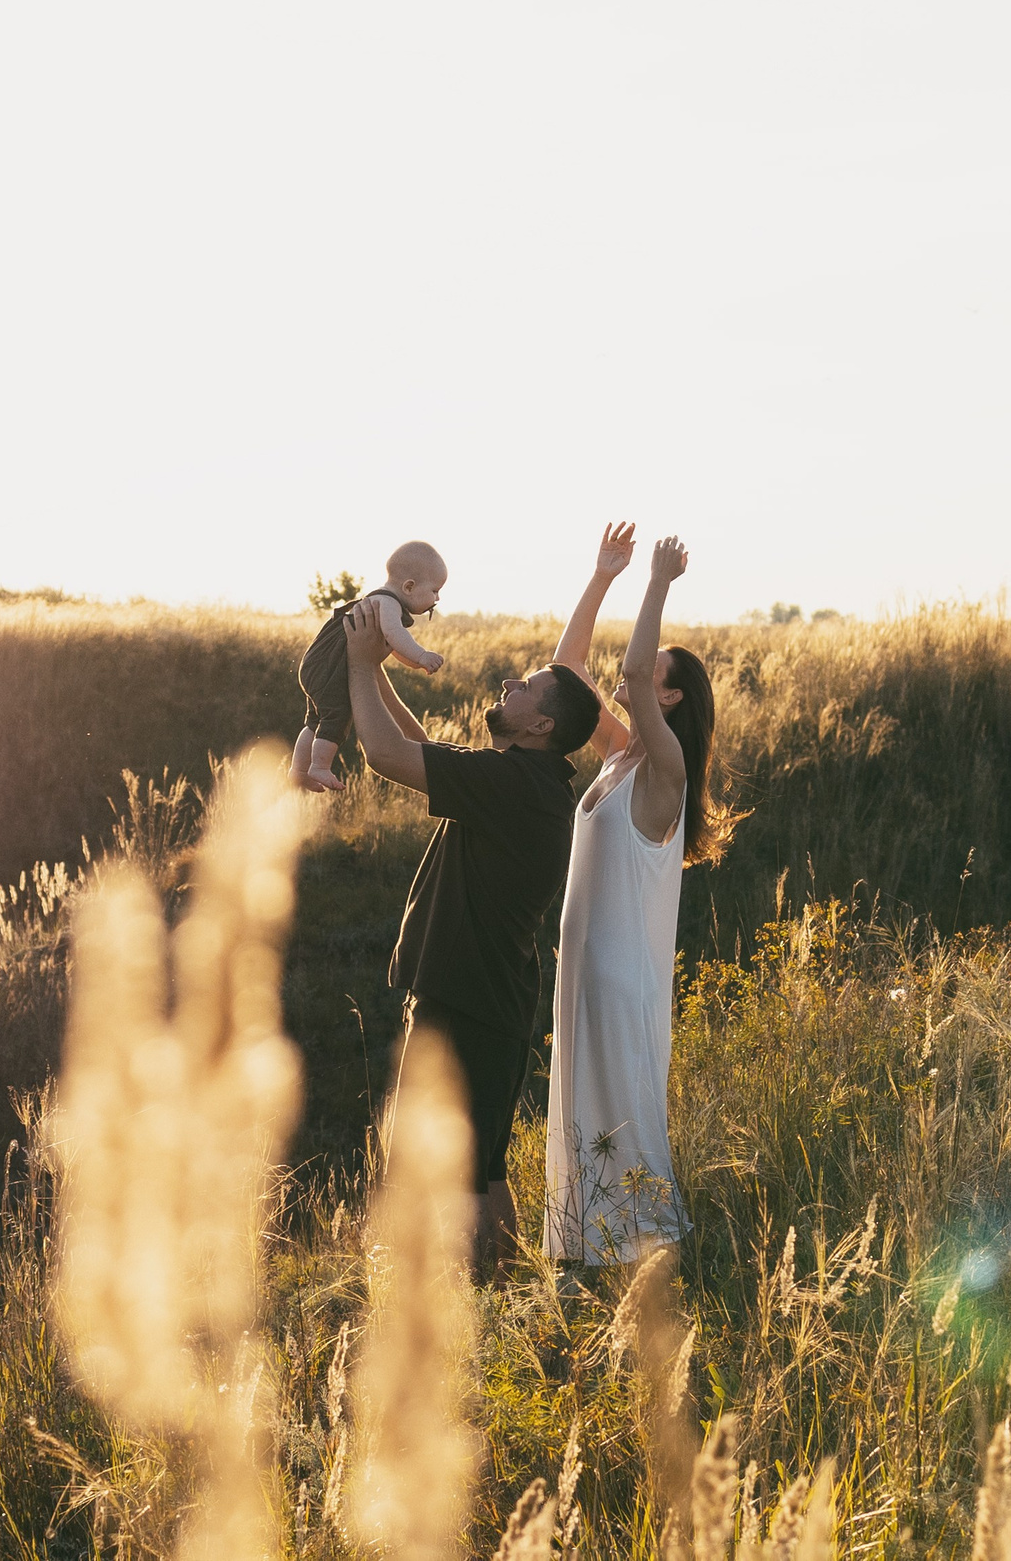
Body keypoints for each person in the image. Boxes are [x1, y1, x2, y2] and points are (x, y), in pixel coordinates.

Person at [341, 543, 606, 1272]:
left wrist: (362, 666)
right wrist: (377, 674)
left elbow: (385, 758)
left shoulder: (515, 784)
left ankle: (477, 1295)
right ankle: (496, 1297)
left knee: (453, 1164)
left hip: (468, 998)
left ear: (540, 725)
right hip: (490, 995)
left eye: (527, 687)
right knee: (481, 1162)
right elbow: (420, 749)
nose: (511, 682)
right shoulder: (526, 781)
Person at [543, 527, 720, 1264]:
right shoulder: (623, 756)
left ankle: (657, 1262)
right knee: (584, 1123)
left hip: (620, 984)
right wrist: (602, 575)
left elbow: (633, 666)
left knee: (625, 1125)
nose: (638, 678)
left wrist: (658, 583)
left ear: (669, 695)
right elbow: (566, 668)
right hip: (584, 972)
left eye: (655, 679)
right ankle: (584, 1261)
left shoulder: (666, 770)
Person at [294, 541, 447, 791]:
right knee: (337, 715)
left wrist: (415, 664)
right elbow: (395, 634)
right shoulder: (388, 603)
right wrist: (421, 655)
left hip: (317, 665)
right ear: (409, 586)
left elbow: (393, 647)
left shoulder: (376, 602)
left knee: (315, 720)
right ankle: (319, 767)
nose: (437, 598)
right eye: (435, 591)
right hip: (331, 668)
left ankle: (298, 770)